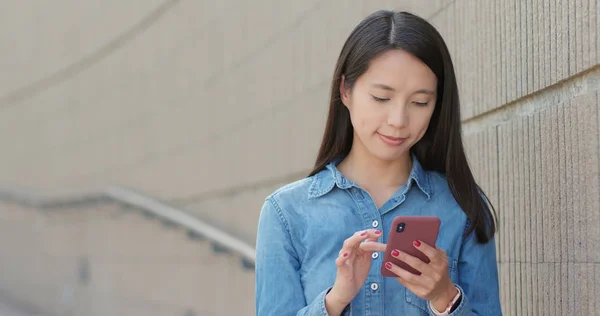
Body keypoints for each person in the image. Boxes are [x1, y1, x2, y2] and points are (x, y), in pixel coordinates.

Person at [255, 10, 502, 316]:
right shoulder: (286, 213)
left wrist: (444, 297)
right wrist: (335, 301)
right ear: (345, 90)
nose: (398, 121)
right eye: (382, 98)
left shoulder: (461, 206)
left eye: (420, 102)